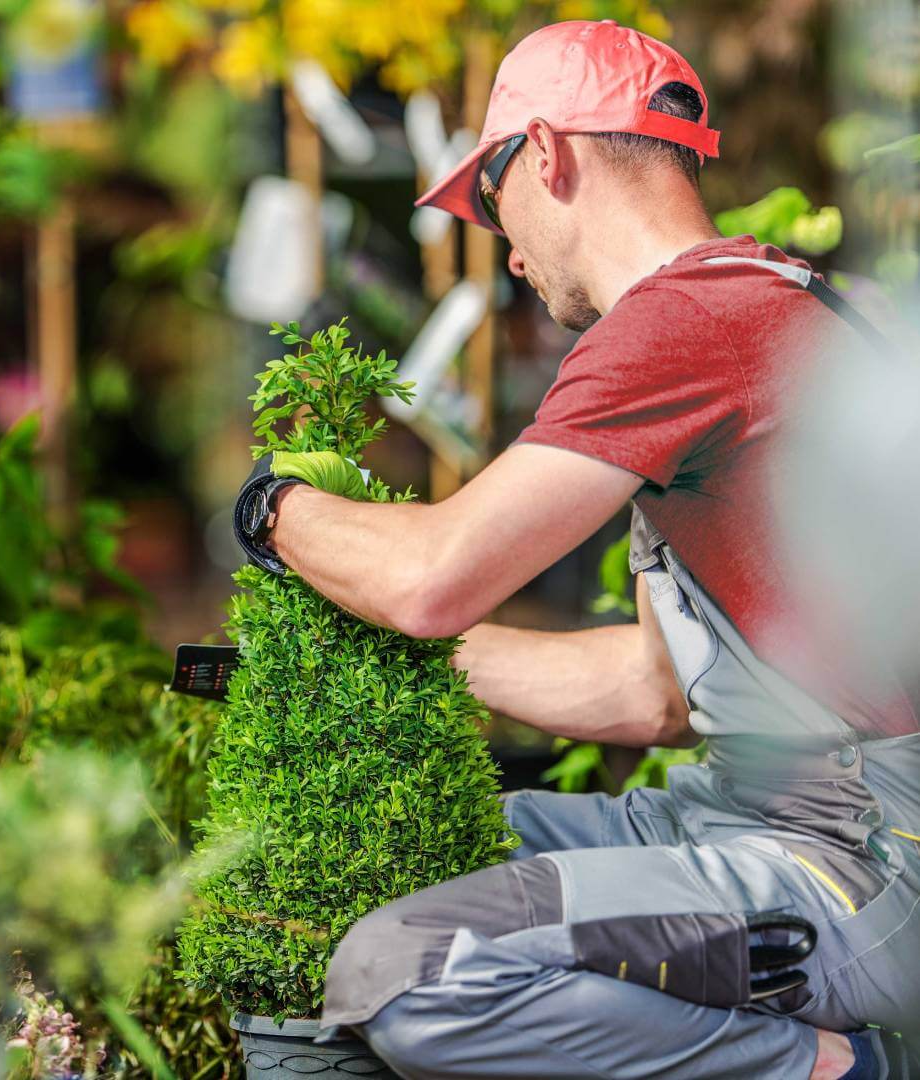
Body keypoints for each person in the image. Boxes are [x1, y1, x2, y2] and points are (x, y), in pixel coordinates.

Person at [233, 19, 920, 1080]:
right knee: (398, 845)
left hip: (854, 861)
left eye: (492, 197)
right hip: (749, 813)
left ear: (547, 153)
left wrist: (274, 508)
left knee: (412, 969)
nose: (506, 251)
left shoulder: (685, 323)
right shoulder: (758, 301)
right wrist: (386, 664)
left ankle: (839, 1070)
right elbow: (649, 692)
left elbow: (429, 579)